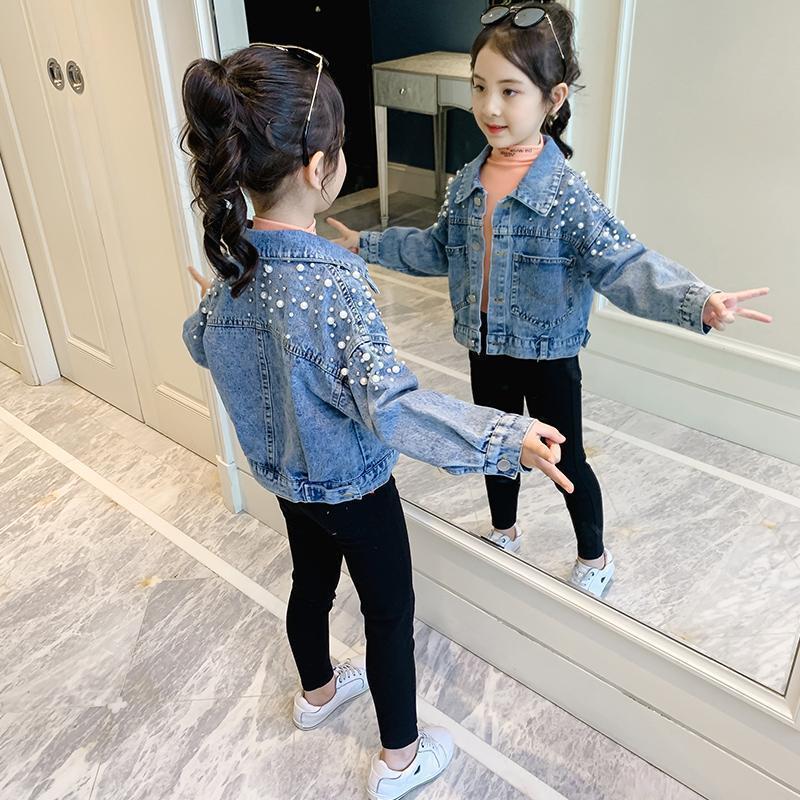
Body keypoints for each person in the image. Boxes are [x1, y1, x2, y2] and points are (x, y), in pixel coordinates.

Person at [180, 43, 573, 799]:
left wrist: (212, 307)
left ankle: (318, 693)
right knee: (390, 612)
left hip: (289, 484)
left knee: (310, 583)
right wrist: (503, 437)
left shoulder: (233, 267)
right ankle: (400, 759)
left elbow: (201, 343)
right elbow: (389, 406)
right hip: (355, 489)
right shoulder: (335, 281)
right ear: (319, 167)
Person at [328, 0, 772, 599]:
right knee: (496, 445)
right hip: (485, 346)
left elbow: (623, 262)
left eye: (510, 91)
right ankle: (504, 530)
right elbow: (437, 248)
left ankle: (594, 554)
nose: (489, 106)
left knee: (566, 458)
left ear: (553, 98)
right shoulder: (467, 181)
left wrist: (697, 301)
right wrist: (368, 243)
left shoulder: (565, 194)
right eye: (479, 87)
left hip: (548, 354)